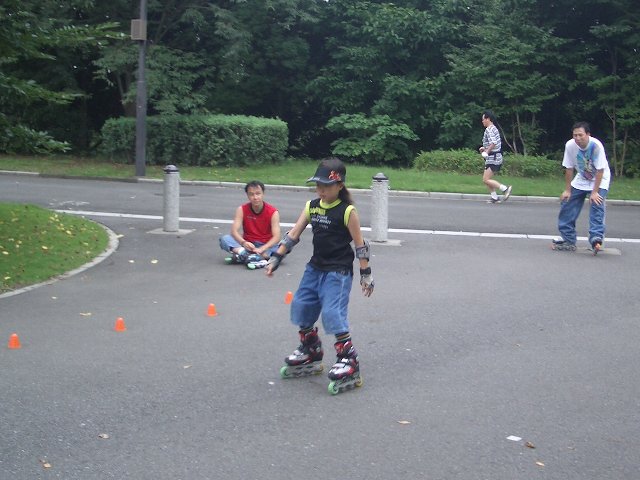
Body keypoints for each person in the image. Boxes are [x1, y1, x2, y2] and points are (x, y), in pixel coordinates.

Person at [265, 157, 374, 395]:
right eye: (318, 185)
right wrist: (276, 257)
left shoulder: (347, 211)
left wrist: (365, 274)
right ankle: (310, 349)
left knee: (333, 312)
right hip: (315, 268)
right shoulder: (312, 206)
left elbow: (360, 245)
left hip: (338, 271)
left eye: (326, 185)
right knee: (302, 305)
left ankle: (348, 358)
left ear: (339, 186)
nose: (321, 190)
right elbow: (293, 234)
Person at [552, 121, 611, 253]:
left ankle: (596, 238)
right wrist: (567, 190)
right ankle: (569, 239)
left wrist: (595, 192)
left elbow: (600, 170)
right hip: (582, 177)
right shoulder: (570, 145)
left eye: (580, 135)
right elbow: (569, 168)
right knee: (567, 203)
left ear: (588, 134)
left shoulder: (596, 146)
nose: (578, 138)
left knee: (597, 204)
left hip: (599, 179)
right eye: (575, 135)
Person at [219, 180, 281, 268]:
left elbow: (277, 237)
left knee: (282, 248)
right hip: (248, 244)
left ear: (263, 194)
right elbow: (234, 231)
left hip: (265, 245)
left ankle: (243, 256)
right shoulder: (242, 209)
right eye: (251, 194)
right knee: (224, 239)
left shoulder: (273, 212)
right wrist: (243, 243)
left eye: (258, 193)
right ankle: (248, 255)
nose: (255, 197)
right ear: (247, 195)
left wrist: (262, 249)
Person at [479, 110, 512, 204]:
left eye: (483, 119)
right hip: (493, 157)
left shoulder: (489, 129)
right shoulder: (493, 128)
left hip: (493, 157)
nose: (482, 121)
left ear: (488, 119)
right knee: (487, 179)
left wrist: (487, 152)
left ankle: (505, 189)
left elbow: (494, 143)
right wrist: (484, 149)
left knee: (486, 179)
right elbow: (492, 143)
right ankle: (494, 197)